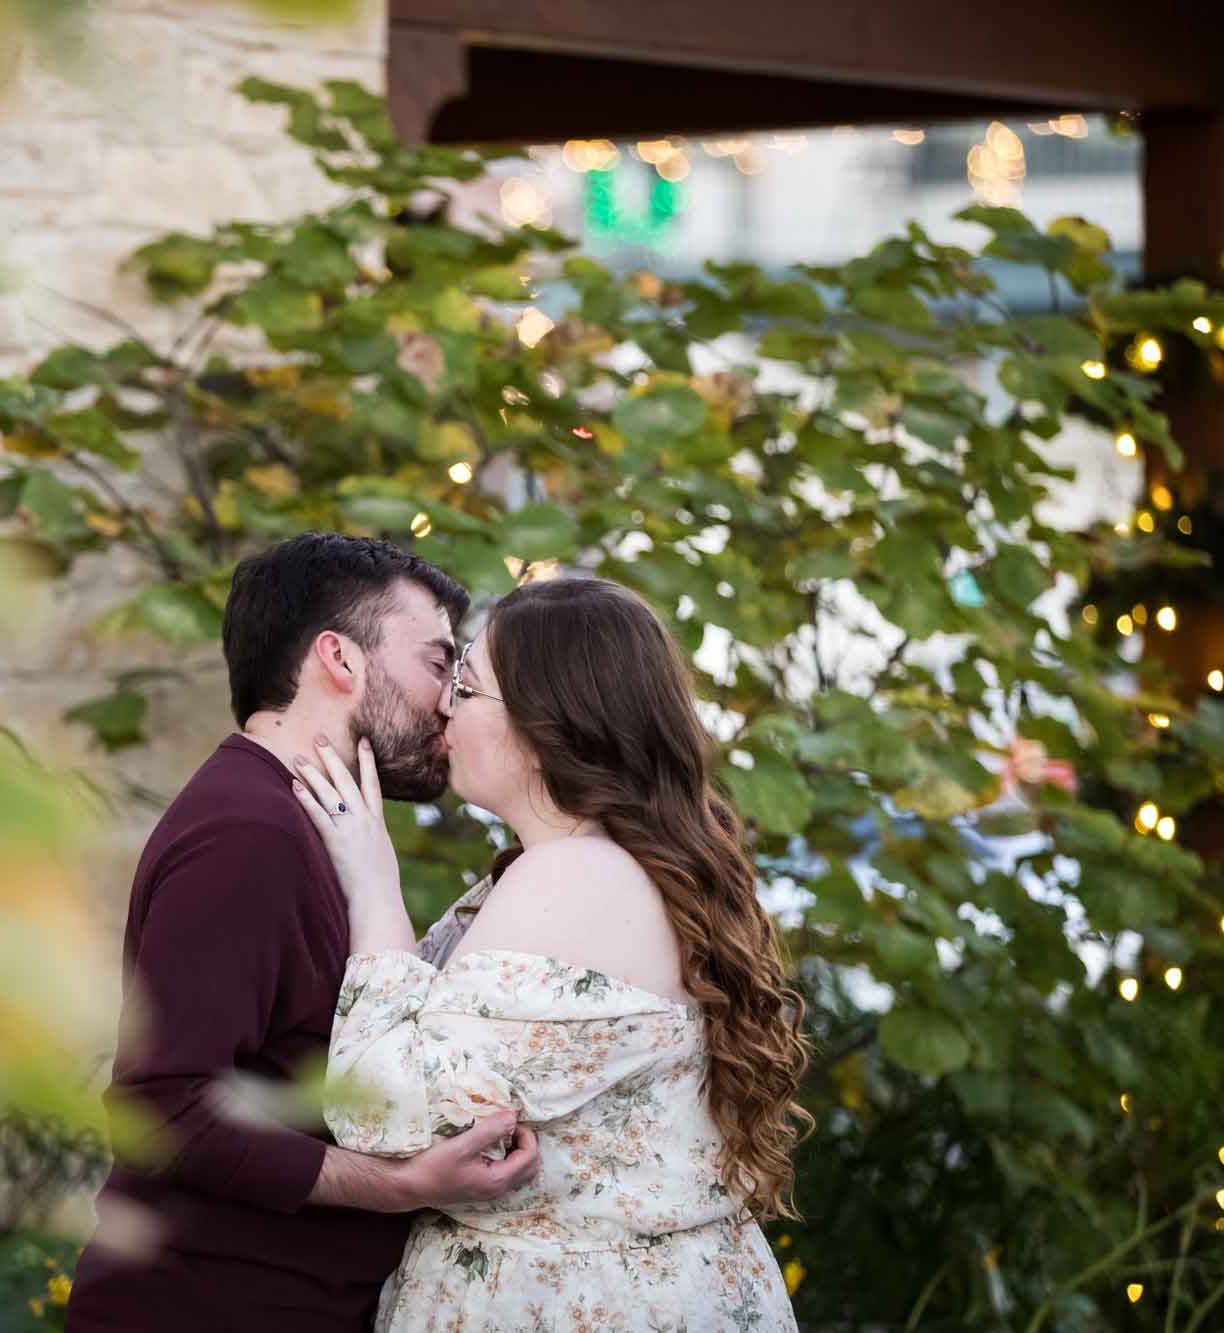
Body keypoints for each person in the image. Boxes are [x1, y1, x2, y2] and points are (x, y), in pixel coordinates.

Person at [293, 574, 810, 1331]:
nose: (443, 705)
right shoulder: (599, 863)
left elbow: (380, 1110)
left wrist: (375, 887)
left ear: (546, 728)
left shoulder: (574, 875)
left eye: (466, 688)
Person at [66, 534, 539, 1333]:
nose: (449, 701)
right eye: (436, 663)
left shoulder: (309, 825)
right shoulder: (248, 834)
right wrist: (398, 1182)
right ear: (341, 660)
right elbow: (160, 1108)